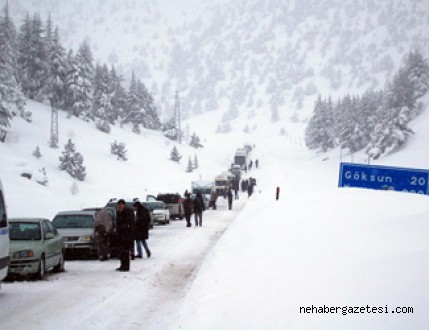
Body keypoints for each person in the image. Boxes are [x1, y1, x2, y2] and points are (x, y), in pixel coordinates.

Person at [115, 199, 135, 272]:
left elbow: (130, 222)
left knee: (126, 251)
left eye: (121, 205)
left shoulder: (128, 211)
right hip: (120, 234)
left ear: (124, 205)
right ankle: (122, 265)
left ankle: (126, 267)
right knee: (121, 251)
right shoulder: (118, 212)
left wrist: (125, 227)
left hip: (126, 235)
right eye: (119, 205)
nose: (119, 206)